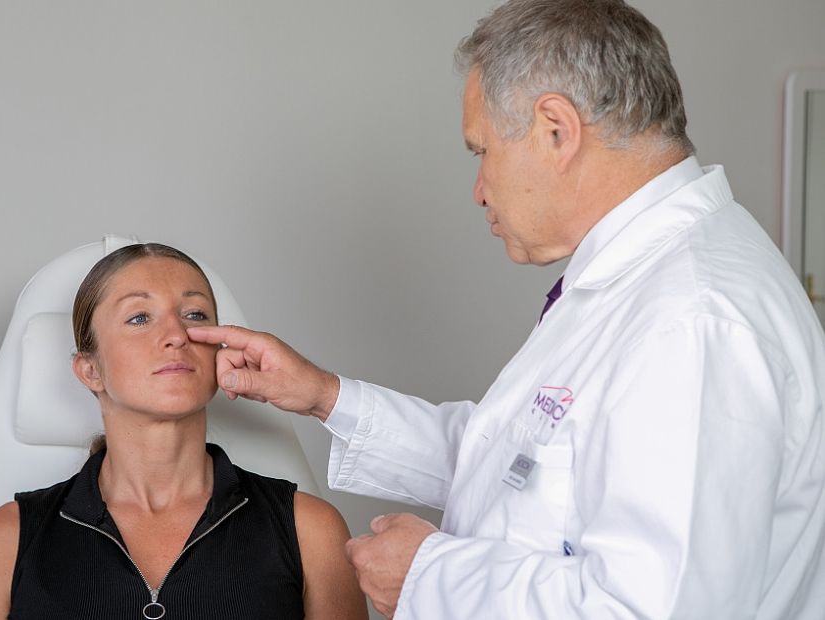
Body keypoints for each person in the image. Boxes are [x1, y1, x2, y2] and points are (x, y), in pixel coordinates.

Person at [187, 1, 825, 618]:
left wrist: (431, 576)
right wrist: (323, 396)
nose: (479, 190)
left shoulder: (692, 320)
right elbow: (519, 465)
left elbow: (657, 608)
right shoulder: (642, 286)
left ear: (556, 129)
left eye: (482, 151)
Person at [0, 243, 367, 620]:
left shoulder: (311, 531)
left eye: (194, 315)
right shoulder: (1, 543)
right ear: (90, 370)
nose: (176, 336)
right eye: (139, 317)